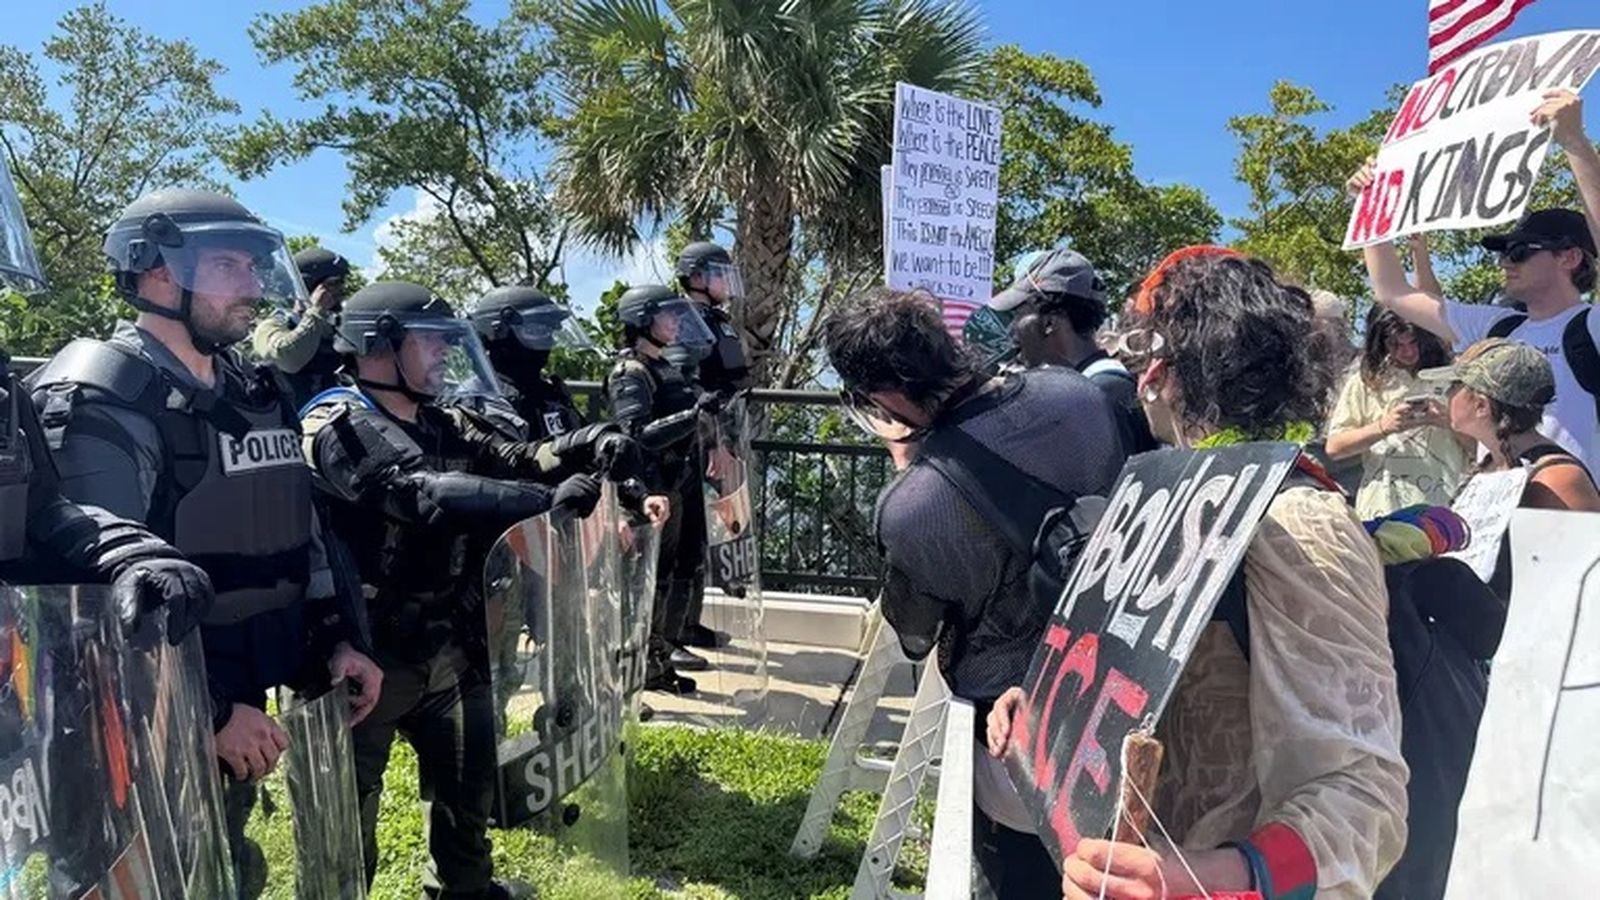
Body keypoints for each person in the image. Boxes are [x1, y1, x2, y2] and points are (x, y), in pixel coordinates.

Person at [987, 248, 1408, 900]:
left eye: (1138, 343)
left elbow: (1364, 797)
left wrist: (1208, 877)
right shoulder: (1163, 494)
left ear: (1167, 369)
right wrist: (1048, 714)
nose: (1129, 366)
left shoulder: (1297, 521)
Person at [26, 188, 382, 894]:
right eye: (229, 265)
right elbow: (97, 605)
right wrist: (209, 713)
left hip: (242, 706)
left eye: (255, 266)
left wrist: (336, 637)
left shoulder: (248, 388)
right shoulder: (104, 397)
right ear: (154, 270)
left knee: (223, 868)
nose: (253, 285)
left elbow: (295, 528)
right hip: (142, 731)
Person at [301, 280, 603, 900]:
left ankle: (464, 889)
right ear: (378, 345)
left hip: (449, 641)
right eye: (430, 341)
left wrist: (587, 444)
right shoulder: (335, 420)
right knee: (342, 820)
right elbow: (419, 494)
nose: (443, 353)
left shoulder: (446, 419)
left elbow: (519, 456)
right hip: (358, 654)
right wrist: (547, 502)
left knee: (468, 789)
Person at [821, 286, 1126, 896]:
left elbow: (915, 630)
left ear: (883, 397)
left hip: (1017, 722)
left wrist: (911, 467)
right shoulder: (1075, 393)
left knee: (1023, 878)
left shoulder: (915, 506)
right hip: (1128, 673)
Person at [1357, 89, 1600, 472]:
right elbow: (1393, 292)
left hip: (1574, 517)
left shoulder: (1591, 327)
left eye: (1520, 252)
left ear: (1569, 257)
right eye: (1503, 252)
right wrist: (1374, 207)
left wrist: (1573, 141)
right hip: (1498, 512)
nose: (1505, 262)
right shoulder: (1497, 326)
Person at [605, 284, 720, 692]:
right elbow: (635, 435)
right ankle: (632, 667)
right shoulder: (630, 373)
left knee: (663, 578)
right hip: (645, 492)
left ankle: (655, 663)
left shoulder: (663, 366)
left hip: (672, 485)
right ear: (642, 319)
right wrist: (693, 416)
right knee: (641, 582)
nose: (675, 323)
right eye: (667, 316)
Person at [1421, 338, 1600, 598]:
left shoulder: (1555, 478)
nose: (1446, 395)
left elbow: (1590, 578)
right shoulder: (1491, 467)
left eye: (1453, 386)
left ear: (1481, 405)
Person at [991, 248, 1158, 455]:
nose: (1012, 329)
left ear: (1049, 323)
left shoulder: (1102, 391)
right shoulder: (1095, 386)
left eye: (1018, 316)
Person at [1325, 306, 1469, 518]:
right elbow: (1334, 448)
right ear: (1380, 343)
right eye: (1396, 345)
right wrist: (1384, 426)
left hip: (1447, 507)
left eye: (1414, 342)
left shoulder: (1454, 378)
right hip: (1382, 510)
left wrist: (1448, 421)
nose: (1408, 352)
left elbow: (1485, 447)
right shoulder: (1366, 382)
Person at [464, 285, 592, 440]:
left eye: (549, 332)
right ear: (498, 336)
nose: (548, 341)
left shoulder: (552, 393)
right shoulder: (477, 397)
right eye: (536, 331)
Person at [252, 245, 350, 408]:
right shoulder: (271, 326)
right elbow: (288, 360)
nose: (341, 290)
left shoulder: (335, 330)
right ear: (308, 285)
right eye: (334, 283)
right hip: (291, 424)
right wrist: (316, 311)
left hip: (333, 422)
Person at [675, 241, 753, 395]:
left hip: (730, 412)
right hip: (703, 414)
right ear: (697, 277)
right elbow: (680, 382)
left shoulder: (717, 320)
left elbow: (737, 375)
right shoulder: (684, 320)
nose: (727, 281)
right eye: (721, 274)